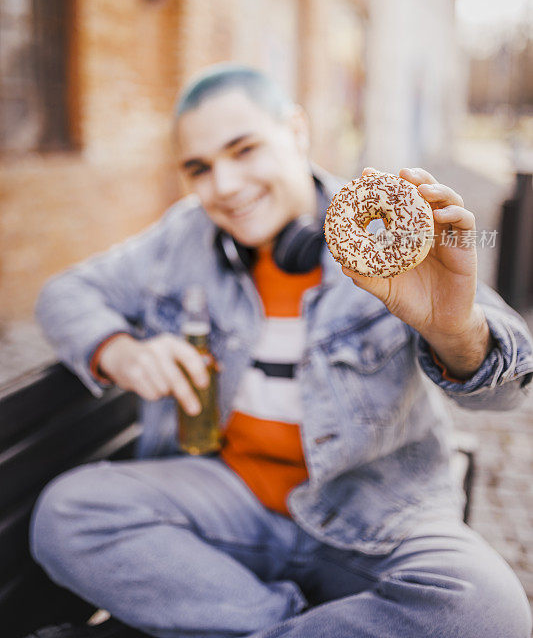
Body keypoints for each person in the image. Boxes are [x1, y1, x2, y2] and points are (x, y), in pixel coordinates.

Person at [30, 64, 533, 638]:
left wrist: (455, 329)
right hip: (227, 497)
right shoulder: (183, 237)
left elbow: (508, 393)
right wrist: (117, 350)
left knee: (489, 612)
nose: (223, 185)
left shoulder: (384, 232)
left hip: (378, 513)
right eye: (200, 168)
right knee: (67, 514)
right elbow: (65, 292)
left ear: (296, 130)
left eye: (244, 150)